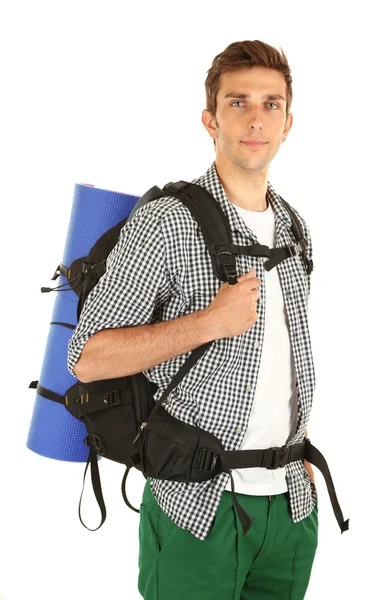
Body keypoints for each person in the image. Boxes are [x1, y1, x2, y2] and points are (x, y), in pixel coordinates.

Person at [67, 39, 318, 600]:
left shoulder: (297, 231)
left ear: (288, 122)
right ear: (210, 119)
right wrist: (208, 321)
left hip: (291, 509)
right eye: (238, 102)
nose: (256, 118)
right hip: (197, 508)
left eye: (270, 104)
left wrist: (298, 450)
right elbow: (86, 358)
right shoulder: (166, 222)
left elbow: (284, 359)